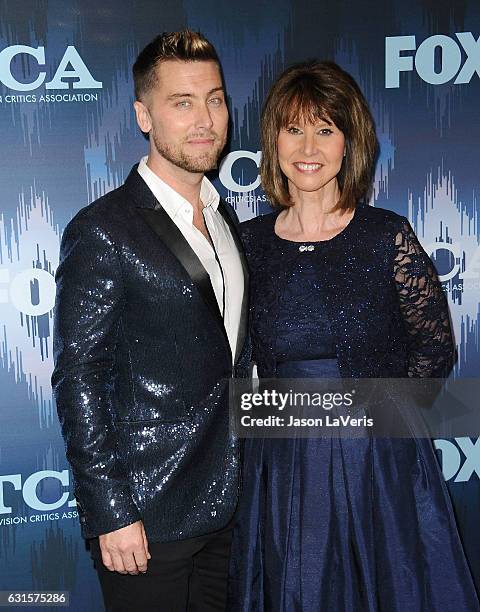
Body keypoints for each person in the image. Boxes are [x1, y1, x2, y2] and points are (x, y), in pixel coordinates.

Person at [228, 60, 479, 611]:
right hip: (284, 464)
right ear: (273, 141)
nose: (308, 145)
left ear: (349, 142)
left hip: (379, 464)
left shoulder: (385, 235)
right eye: (293, 128)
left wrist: (384, 426)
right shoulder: (245, 244)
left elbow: (434, 350)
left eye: (325, 128)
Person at [51, 30, 249, 612]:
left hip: (230, 505)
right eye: (182, 103)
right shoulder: (104, 228)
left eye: (214, 99)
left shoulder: (226, 217)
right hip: (147, 516)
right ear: (144, 115)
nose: (205, 119)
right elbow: (79, 375)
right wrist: (111, 510)